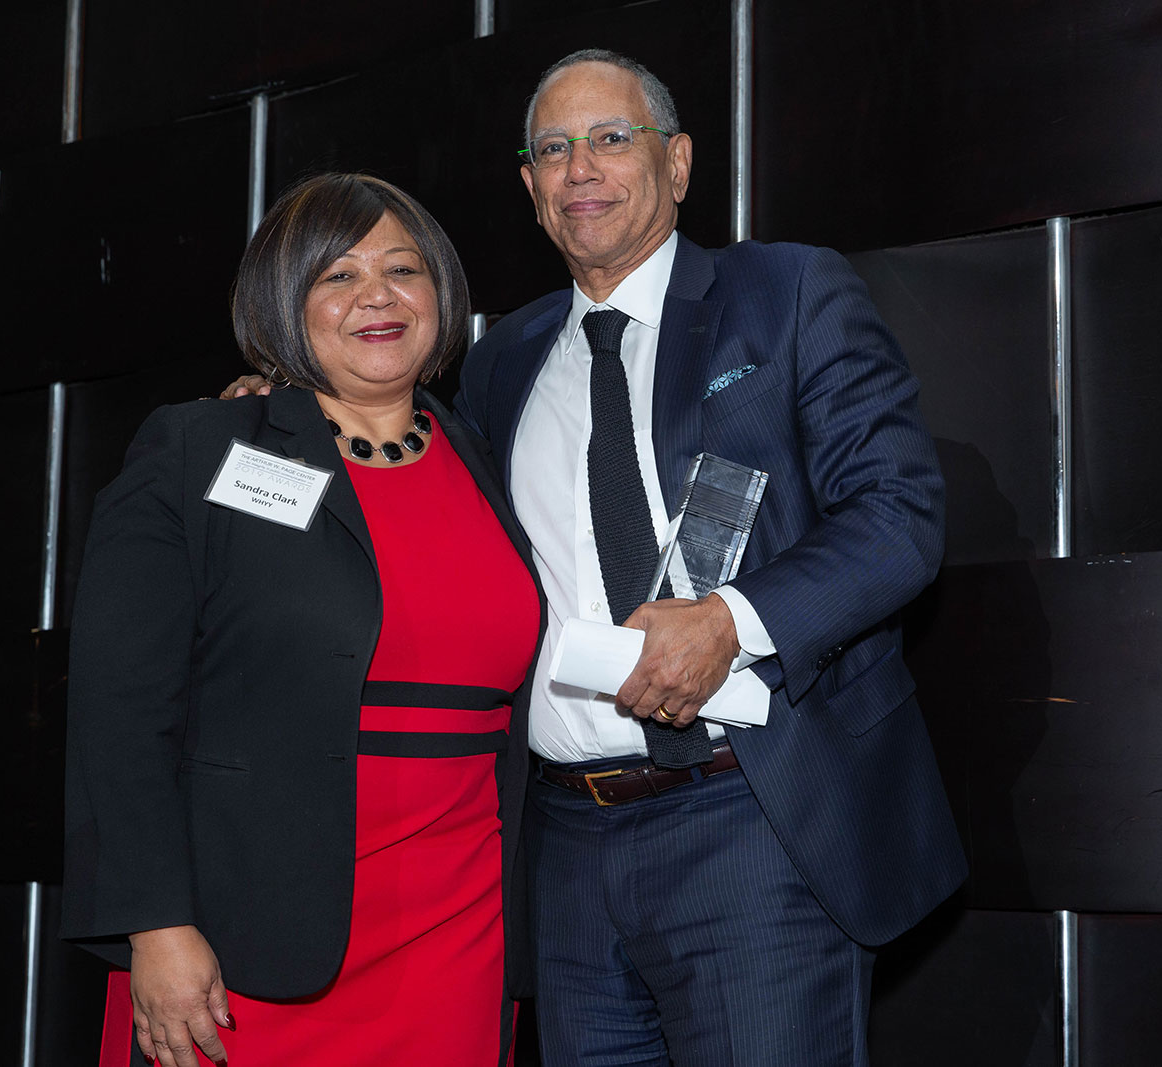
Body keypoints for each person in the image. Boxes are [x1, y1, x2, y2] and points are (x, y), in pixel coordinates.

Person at [225, 50, 966, 1066]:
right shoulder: (498, 362)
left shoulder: (786, 292)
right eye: (554, 149)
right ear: (529, 190)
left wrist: (731, 622)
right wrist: (276, 425)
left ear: (679, 164)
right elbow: (398, 504)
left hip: (754, 817)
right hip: (562, 849)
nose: (582, 166)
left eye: (612, 138)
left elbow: (898, 513)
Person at [63, 172, 542, 1067]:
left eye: (404, 269)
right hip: (243, 943)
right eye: (338, 276)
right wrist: (155, 926)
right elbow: (119, 711)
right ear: (287, 300)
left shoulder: (480, 454)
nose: (378, 296)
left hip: (458, 935)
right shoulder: (201, 449)